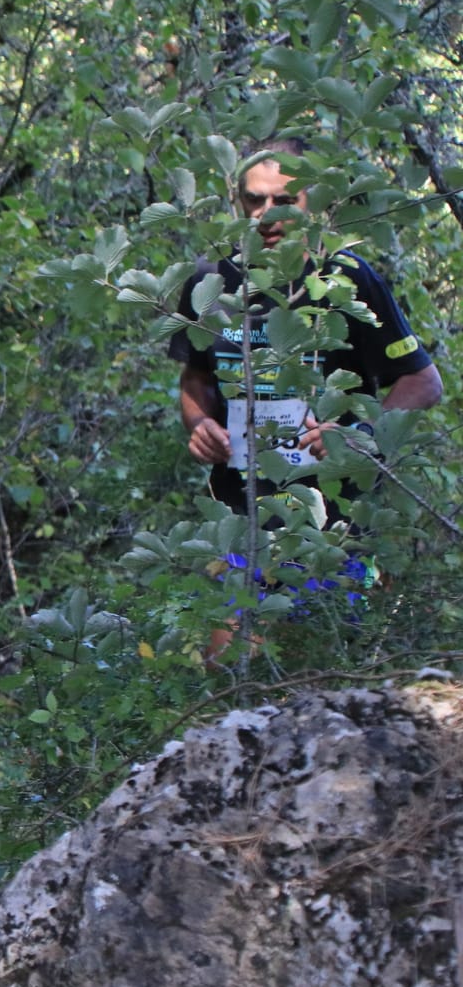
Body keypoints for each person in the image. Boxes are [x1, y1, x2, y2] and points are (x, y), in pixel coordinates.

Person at [170, 137, 443, 649]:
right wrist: (200, 423)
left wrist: (361, 435)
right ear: (236, 199)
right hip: (242, 516)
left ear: (312, 201)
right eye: (254, 199)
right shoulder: (209, 281)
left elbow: (422, 382)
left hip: (335, 526)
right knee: (228, 668)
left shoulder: (347, 278)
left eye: (284, 200)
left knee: (326, 669)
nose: (267, 214)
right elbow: (196, 377)